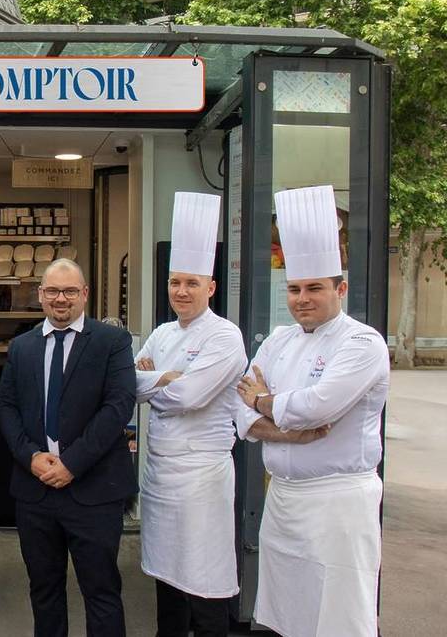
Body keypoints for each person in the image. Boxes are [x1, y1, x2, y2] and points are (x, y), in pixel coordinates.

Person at [236, 185, 389, 637]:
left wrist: (264, 403)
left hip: (337, 501)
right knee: (287, 613)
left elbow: (316, 406)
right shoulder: (279, 339)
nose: (302, 298)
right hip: (282, 498)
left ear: (340, 288)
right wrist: (281, 427)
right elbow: (239, 410)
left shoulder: (362, 342)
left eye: (315, 288)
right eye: (295, 289)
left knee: (340, 615)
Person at [0, 258, 138, 637]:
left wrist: (72, 463)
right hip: (36, 490)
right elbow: (6, 407)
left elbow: (118, 406)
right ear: (40, 295)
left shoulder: (112, 342)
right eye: (54, 291)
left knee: (102, 592)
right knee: (44, 592)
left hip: (94, 489)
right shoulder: (22, 347)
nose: (62, 299)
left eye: (70, 291)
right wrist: (30, 457)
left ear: (85, 294)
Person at [134, 193, 245, 637]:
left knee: (204, 580)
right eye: (175, 281)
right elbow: (127, 384)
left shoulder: (225, 336)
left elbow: (190, 396)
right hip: (160, 473)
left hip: (201, 476)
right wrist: (166, 378)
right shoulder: (161, 333)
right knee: (166, 580)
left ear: (211, 287)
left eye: (192, 283)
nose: (181, 291)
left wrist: (155, 381)